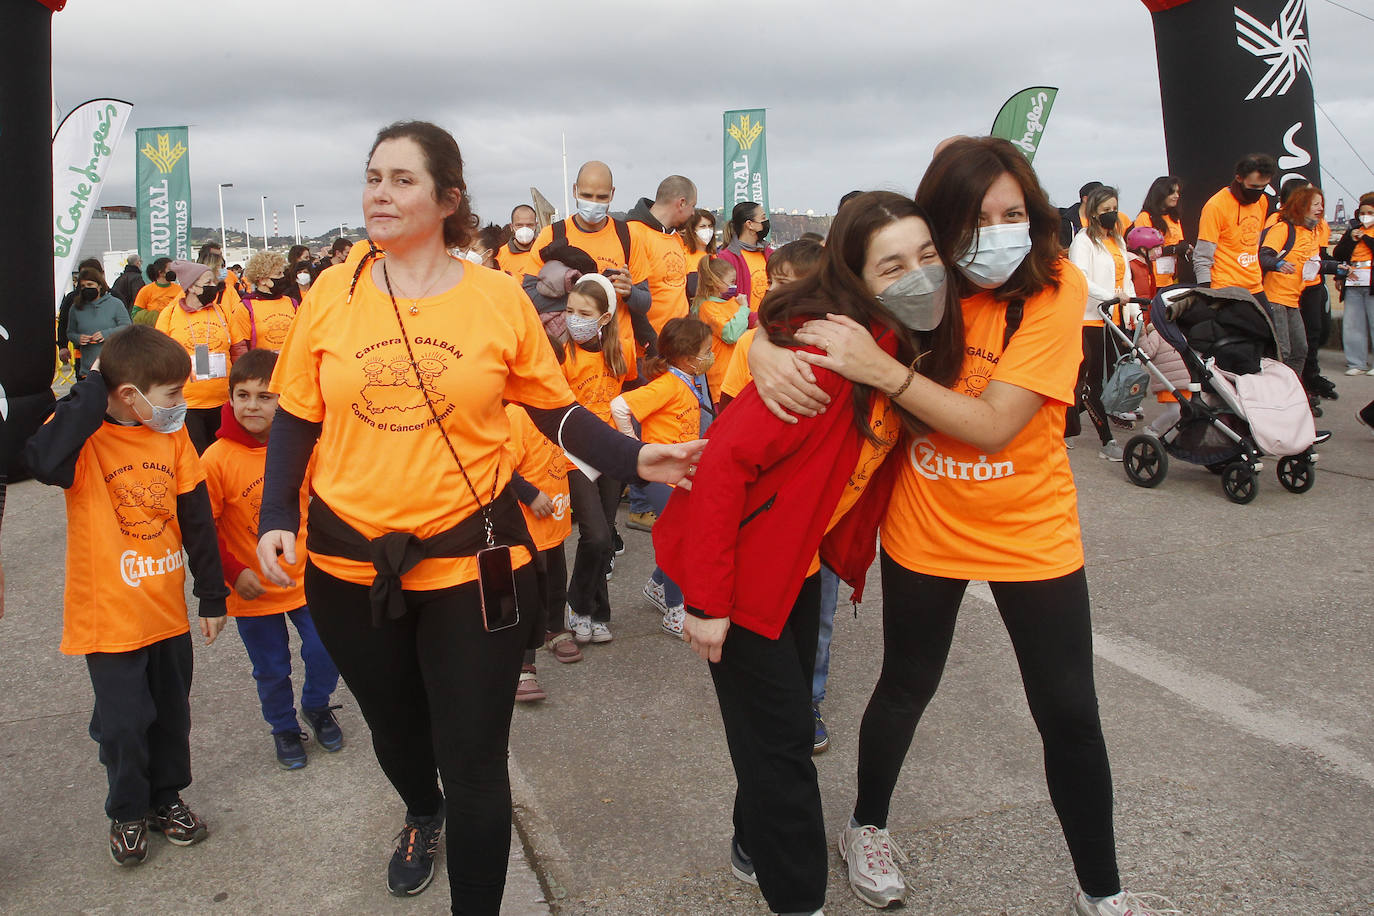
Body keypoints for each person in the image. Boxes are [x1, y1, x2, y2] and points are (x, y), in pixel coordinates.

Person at [254, 121, 700, 911]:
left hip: (474, 558)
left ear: (448, 197)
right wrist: (277, 510)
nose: (379, 193)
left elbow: (554, 411)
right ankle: (422, 814)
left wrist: (635, 459)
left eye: (401, 179)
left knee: (475, 760)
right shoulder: (334, 291)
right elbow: (294, 413)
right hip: (347, 559)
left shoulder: (497, 297)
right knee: (395, 730)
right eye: (373, 177)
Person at [748, 137, 1161, 916]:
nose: (998, 230)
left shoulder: (1054, 286)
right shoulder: (909, 281)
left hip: (1031, 530)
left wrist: (885, 372)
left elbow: (994, 425)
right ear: (940, 225)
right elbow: (792, 311)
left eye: (1014, 213)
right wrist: (756, 345)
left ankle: (1103, 891)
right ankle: (867, 826)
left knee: (1068, 710)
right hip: (925, 525)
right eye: (976, 218)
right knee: (907, 683)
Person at [657, 190, 958, 916]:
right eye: (891, 266)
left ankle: (751, 844)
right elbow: (725, 465)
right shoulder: (824, 360)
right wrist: (704, 601)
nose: (917, 276)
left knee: (772, 733)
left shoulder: (890, 350)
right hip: (739, 575)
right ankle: (799, 899)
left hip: (797, 568)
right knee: (787, 748)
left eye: (926, 258)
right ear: (854, 277)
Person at [24, 323, 230, 867]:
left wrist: (211, 594)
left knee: (170, 717)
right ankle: (127, 811)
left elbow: (195, 517)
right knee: (122, 724)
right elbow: (41, 460)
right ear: (128, 395)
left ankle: (166, 799)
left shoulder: (171, 435)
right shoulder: (83, 438)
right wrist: (93, 385)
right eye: (171, 396)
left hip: (164, 613)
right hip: (109, 618)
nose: (180, 405)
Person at [202, 348, 342, 769]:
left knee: (327, 650)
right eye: (242, 395)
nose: (252, 406)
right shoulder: (215, 460)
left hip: (307, 580)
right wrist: (233, 572)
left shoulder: (306, 449)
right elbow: (203, 530)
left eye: (265, 397)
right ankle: (283, 727)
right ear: (229, 400)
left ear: (285, 401)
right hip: (253, 589)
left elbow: (327, 501)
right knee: (271, 668)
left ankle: (316, 705)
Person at [610, 317, 714, 637]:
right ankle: (674, 608)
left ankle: (658, 585)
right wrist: (635, 450)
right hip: (662, 477)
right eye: (706, 351)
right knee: (679, 539)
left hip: (677, 474)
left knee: (680, 535)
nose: (711, 356)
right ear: (686, 356)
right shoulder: (668, 384)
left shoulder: (686, 381)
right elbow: (619, 406)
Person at [556, 274, 634, 644]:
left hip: (610, 450)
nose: (574, 318)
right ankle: (576, 603)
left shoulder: (619, 352)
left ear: (604, 318)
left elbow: (628, 397)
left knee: (604, 537)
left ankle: (595, 612)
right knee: (596, 533)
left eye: (584, 312)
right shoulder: (561, 352)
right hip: (574, 454)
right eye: (569, 310)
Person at [529, 161, 648, 372]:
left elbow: (645, 302)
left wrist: (629, 293)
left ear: (612, 194)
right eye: (586, 195)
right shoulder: (552, 236)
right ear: (574, 190)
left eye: (601, 197)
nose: (594, 203)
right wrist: (585, 289)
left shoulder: (628, 236)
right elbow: (528, 296)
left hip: (617, 359)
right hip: (567, 362)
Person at [504, 402, 579, 703]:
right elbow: (499, 465)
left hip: (555, 517)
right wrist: (529, 493)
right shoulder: (514, 414)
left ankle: (555, 627)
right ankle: (523, 664)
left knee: (556, 577)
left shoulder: (555, 409)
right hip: (527, 523)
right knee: (528, 593)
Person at [717, 239, 825, 411]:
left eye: (782, 282)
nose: (772, 290)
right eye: (769, 282)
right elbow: (728, 406)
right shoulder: (749, 341)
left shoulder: (831, 339)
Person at [1068, 185, 1136, 460]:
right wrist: (1110, 297)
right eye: (1106, 210)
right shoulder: (1084, 241)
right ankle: (1107, 441)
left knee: (1098, 382)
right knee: (1092, 383)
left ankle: (1061, 426)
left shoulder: (1117, 241)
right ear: (1094, 212)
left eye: (1114, 209)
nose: (1112, 214)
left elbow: (1126, 278)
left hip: (1114, 320)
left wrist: (1132, 308)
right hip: (1089, 318)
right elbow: (1081, 278)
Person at [155, 259, 251, 453]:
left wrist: (244, 384)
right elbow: (159, 358)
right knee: (197, 456)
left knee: (225, 454)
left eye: (213, 283)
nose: (213, 287)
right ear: (191, 287)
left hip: (223, 400)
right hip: (189, 404)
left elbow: (239, 349)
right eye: (207, 283)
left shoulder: (222, 312)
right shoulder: (170, 314)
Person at [1260, 185, 1336, 375]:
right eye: (1316, 204)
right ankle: (1276, 393)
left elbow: (1313, 263)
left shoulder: (1310, 232)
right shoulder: (1283, 228)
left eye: (1322, 204)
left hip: (1293, 299)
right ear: (1302, 206)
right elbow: (1263, 256)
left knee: (1301, 349)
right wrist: (1278, 264)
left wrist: (1338, 268)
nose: (1320, 208)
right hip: (1275, 298)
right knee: (1282, 351)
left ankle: (1294, 390)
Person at [1194, 153, 1276, 312]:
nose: (1258, 192)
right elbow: (1202, 255)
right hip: (1226, 288)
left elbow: (1254, 243)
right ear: (1239, 178)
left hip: (1255, 285)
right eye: (1253, 187)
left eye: (1263, 187)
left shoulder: (1262, 201)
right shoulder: (1216, 206)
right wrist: (1207, 291)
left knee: (1269, 333)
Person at [627, 176, 698, 335]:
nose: (693, 212)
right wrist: (650, 344)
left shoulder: (675, 237)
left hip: (679, 341)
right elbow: (631, 298)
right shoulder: (633, 233)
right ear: (682, 203)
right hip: (652, 345)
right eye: (693, 206)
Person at [692, 256, 751, 404]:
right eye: (731, 282)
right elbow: (731, 334)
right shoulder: (707, 307)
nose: (735, 286)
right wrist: (744, 309)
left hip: (740, 375)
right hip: (722, 380)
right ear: (715, 282)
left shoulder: (732, 302)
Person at [1334, 192, 1374, 374]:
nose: (1365, 216)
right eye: (1362, 212)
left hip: (1370, 280)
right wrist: (1352, 238)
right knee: (1353, 323)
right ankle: (1356, 363)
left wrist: (1364, 238)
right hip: (1354, 281)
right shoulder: (1353, 230)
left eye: (1370, 212)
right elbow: (1339, 253)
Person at [66, 266, 132, 378]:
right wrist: (78, 338)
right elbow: (70, 332)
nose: (86, 288)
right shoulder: (75, 308)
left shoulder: (115, 303)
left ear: (99, 285)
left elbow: (127, 327)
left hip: (115, 367)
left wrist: (106, 334)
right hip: (88, 368)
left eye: (90, 285)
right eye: (82, 286)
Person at [238, 250, 300, 352]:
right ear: (262, 280)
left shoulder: (292, 303)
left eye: (282, 273)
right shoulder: (246, 307)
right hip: (261, 365)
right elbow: (241, 346)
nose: (283, 277)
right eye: (278, 274)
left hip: (290, 364)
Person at [718, 201, 773, 309]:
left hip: (770, 321)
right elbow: (725, 298)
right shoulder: (727, 258)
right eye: (763, 218)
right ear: (750, 224)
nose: (766, 222)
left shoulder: (769, 254)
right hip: (744, 323)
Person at [1134, 176, 1188, 287]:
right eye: (1172, 192)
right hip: (1152, 280)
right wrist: (1173, 249)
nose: (1176, 196)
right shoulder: (1145, 217)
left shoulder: (1174, 218)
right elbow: (1144, 252)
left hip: (1171, 278)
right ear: (1161, 194)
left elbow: (1179, 241)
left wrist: (1184, 248)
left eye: (1178, 192)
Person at [57, 257, 104, 365]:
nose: (87, 278)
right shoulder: (72, 300)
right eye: (84, 275)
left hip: (111, 354)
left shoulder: (114, 298)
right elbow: (64, 324)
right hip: (83, 356)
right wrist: (63, 346)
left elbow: (125, 326)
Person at [131, 257, 181, 326]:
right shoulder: (146, 290)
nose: (174, 271)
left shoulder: (180, 290)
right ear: (160, 272)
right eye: (170, 269)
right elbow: (135, 314)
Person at [497, 204, 542, 278]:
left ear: (536, 226)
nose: (524, 229)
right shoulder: (499, 255)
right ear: (511, 227)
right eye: (519, 225)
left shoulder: (545, 252)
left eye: (529, 225)